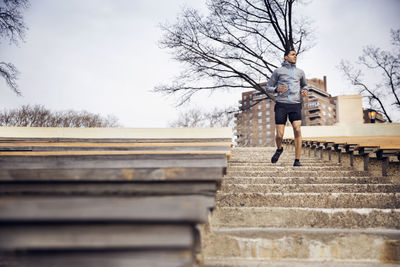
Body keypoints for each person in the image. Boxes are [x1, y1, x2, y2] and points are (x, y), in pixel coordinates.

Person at [264, 49, 308, 166]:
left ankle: (297, 160)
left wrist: (304, 90)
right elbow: (268, 87)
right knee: (279, 135)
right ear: (285, 57)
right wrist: (276, 89)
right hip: (281, 105)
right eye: (292, 54)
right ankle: (279, 149)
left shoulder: (300, 72)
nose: (295, 56)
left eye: (296, 55)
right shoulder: (278, 71)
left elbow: (305, 85)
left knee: (297, 129)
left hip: (295, 104)